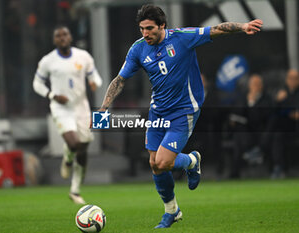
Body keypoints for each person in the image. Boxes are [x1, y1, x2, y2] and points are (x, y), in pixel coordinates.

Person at [98, 4, 262, 228]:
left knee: (164, 162)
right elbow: (120, 80)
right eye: (141, 29)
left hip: (184, 110)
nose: (145, 33)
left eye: (149, 28)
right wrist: (104, 108)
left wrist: (242, 26)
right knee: (155, 164)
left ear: (162, 25)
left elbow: (216, 29)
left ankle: (192, 160)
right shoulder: (138, 49)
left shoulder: (182, 38)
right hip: (158, 111)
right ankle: (172, 211)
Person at [33, 26, 102, 204]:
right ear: (54, 40)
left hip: (81, 107)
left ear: (70, 37)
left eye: (65, 34)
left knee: (83, 148)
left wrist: (94, 82)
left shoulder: (83, 56)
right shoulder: (48, 61)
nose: (62, 38)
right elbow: (37, 84)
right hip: (61, 108)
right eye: (58, 36)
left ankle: (75, 190)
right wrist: (52, 95)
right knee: (74, 143)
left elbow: (95, 76)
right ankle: (67, 157)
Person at [229, 74, 274, 178]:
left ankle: (250, 154)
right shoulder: (243, 97)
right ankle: (237, 170)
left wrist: (252, 103)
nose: (255, 87)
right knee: (239, 135)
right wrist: (249, 102)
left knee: (240, 139)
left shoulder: (267, 98)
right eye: (253, 84)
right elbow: (237, 113)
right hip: (245, 133)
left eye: (258, 84)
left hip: (261, 133)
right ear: (249, 85)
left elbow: (259, 119)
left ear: (262, 85)